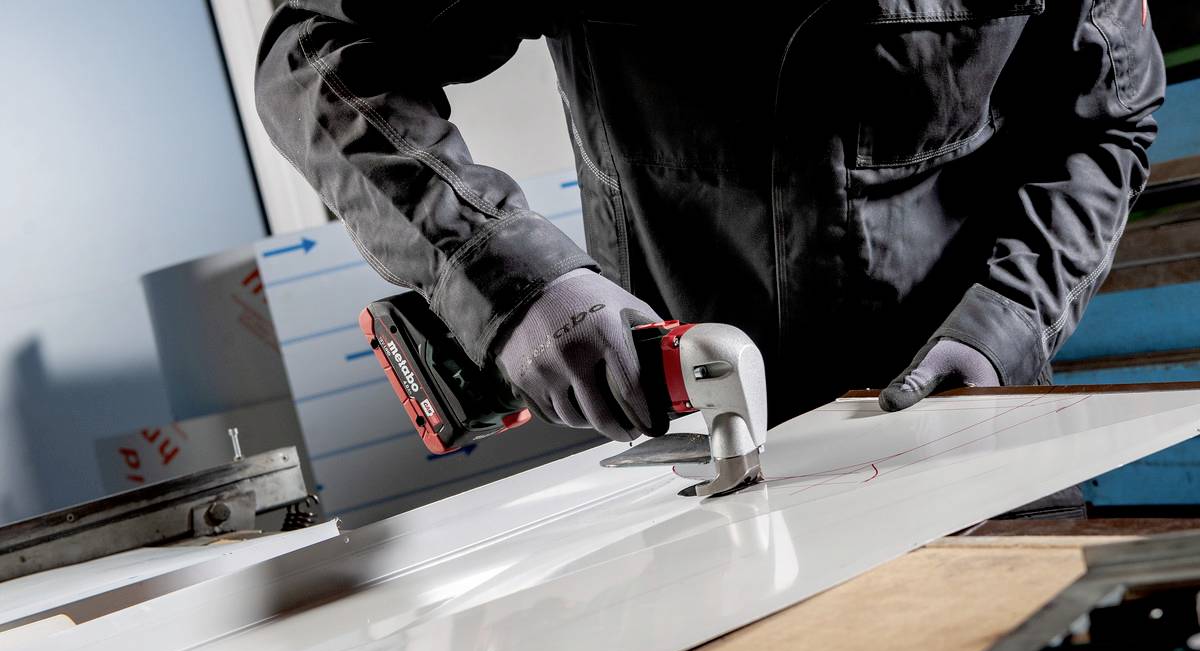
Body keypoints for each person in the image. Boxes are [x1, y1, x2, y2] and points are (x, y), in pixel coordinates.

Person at [255, 1, 1165, 444]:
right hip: (690, 457)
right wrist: (505, 272)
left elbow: (1107, 115)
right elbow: (313, 54)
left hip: (956, 436)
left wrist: (1010, 317)